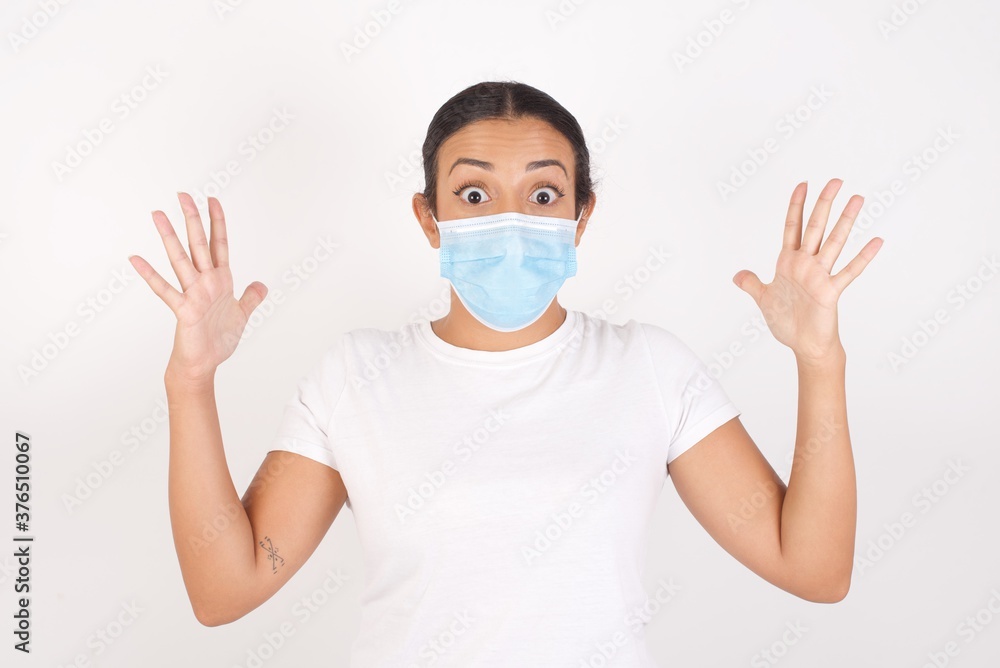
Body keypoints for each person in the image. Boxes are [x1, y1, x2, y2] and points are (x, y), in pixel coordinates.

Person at [128, 81, 883, 666]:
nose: (512, 219)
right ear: (430, 217)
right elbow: (225, 591)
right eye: (475, 193)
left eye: (545, 194)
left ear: (582, 216)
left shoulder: (648, 368)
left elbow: (814, 570)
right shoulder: (356, 375)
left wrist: (820, 362)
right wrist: (189, 384)